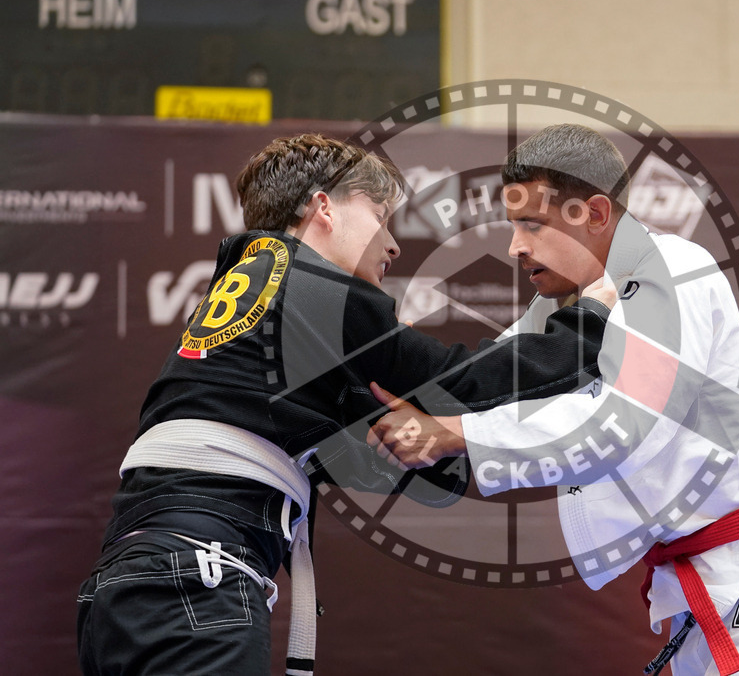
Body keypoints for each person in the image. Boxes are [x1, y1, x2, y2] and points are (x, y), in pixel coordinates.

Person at [76, 133, 615, 676]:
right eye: (380, 216)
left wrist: (430, 439)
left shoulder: (258, 289)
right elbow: (457, 378)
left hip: (126, 585)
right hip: (196, 574)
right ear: (324, 207)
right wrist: (590, 324)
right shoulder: (315, 289)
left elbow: (423, 472)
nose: (392, 243)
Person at [369, 124, 739, 675]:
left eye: (532, 224)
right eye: (512, 226)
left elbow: (627, 424)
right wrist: (396, 367)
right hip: (708, 584)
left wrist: (454, 436)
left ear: (595, 215)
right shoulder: (570, 309)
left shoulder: (672, 272)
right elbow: (490, 382)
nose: (515, 246)